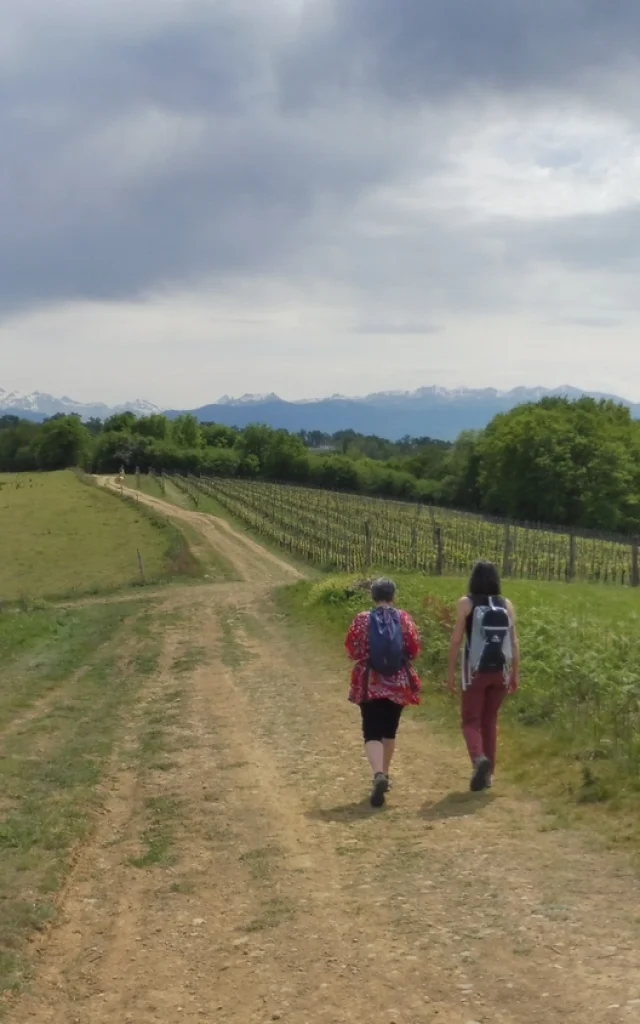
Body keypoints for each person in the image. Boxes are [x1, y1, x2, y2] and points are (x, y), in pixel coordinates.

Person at [345, 578, 422, 807]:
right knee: (390, 730)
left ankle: (378, 774)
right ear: (393, 595)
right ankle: (385, 775)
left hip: (370, 681)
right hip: (398, 681)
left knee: (371, 730)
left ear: (373, 596)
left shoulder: (362, 619)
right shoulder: (404, 618)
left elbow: (352, 649)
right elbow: (414, 649)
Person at [447, 561, 519, 791]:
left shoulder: (466, 603)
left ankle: (479, 760)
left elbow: (457, 640)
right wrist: (515, 672)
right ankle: (489, 776)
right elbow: (514, 642)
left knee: (471, 721)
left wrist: (450, 672)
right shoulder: (506, 605)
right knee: (490, 721)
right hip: (501, 671)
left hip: (475, 671)